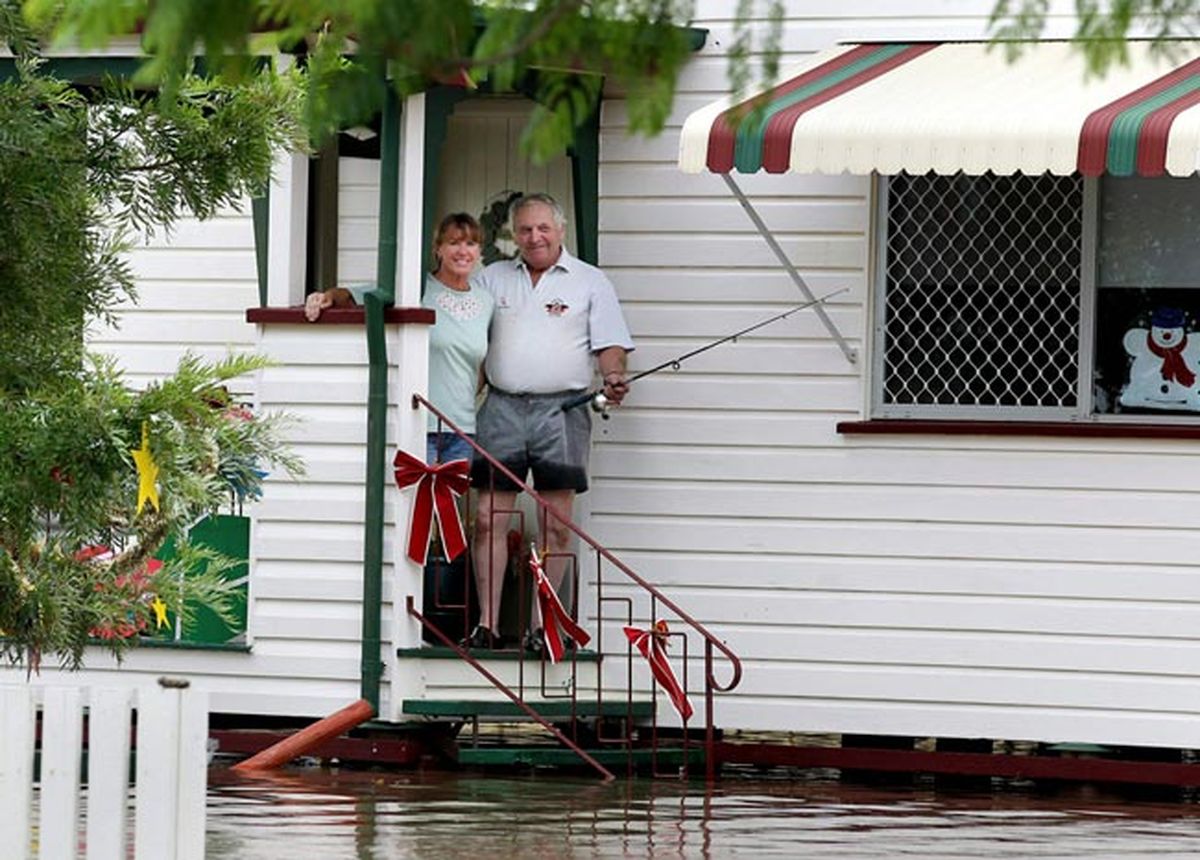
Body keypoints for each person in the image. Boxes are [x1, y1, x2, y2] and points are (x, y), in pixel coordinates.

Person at [465, 193, 633, 651]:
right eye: (524, 230)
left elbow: (611, 345)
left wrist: (615, 375)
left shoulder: (589, 282)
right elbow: (463, 334)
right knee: (487, 517)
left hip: (564, 409)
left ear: (560, 231)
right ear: (513, 235)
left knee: (556, 525)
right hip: (500, 406)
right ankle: (487, 625)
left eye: (543, 228)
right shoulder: (490, 278)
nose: (534, 237)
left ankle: (544, 628)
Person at [304, 213, 493, 464]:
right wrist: (327, 296)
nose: (462, 251)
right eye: (453, 243)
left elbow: (478, 366)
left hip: (462, 429)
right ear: (438, 249)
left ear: (479, 251)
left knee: (448, 503)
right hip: (419, 426)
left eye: (470, 244)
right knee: (416, 501)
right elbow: (356, 295)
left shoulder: (486, 302)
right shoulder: (415, 289)